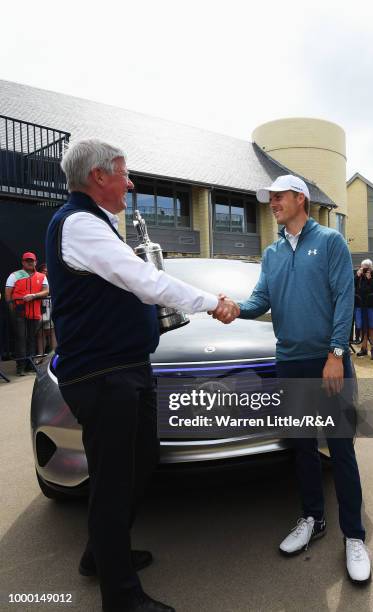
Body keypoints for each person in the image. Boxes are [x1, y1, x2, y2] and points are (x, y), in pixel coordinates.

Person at [46, 138, 233, 612]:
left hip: (125, 370)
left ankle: (100, 554)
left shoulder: (96, 225)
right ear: (98, 177)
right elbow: (145, 282)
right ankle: (121, 597)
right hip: (102, 375)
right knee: (112, 482)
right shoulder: (80, 225)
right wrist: (214, 302)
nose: (130, 183)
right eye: (124, 173)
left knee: (140, 460)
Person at [212, 174, 371, 584]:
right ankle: (313, 519)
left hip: (327, 363)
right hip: (290, 364)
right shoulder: (272, 252)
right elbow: (260, 299)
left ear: (301, 199)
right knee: (301, 448)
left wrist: (337, 354)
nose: (272, 204)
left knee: (340, 451)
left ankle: (353, 535)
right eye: (270, 199)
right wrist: (232, 308)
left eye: (278, 197)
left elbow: (343, 298)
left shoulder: (331, 242)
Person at [5, 252, 49, 375]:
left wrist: (34, 295)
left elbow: (46, 291)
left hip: (34, 310)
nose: (30, 262)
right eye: (27, 260)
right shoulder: (14, 275)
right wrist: (12, 310)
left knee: (31, 338)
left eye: (32, 260)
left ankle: (30, 365)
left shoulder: (41, 276)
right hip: (19, 311)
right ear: (23, 262)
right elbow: (8, 294)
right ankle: (21, 366)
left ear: (35, 262)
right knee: (21, 338)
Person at [354, 259, 373, 358]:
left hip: (371, 306)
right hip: (359, 305)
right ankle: (364, 348)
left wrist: (369, 279)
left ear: (371, 268)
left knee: (372, 327)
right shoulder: (358, 277)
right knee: (361, 327)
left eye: (367, 267)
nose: (365, 270)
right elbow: (352, 286)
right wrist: (357, 276)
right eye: (363, 267)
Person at [36, 263, 57, 359]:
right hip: (37, 308)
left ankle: (54, 356)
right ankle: (41, 356)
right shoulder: (37, 279)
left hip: (48, 307)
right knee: (40, 333)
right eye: (44, 271)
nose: (46, 273)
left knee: (51, 331)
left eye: (47, 271)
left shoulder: (53, 279)